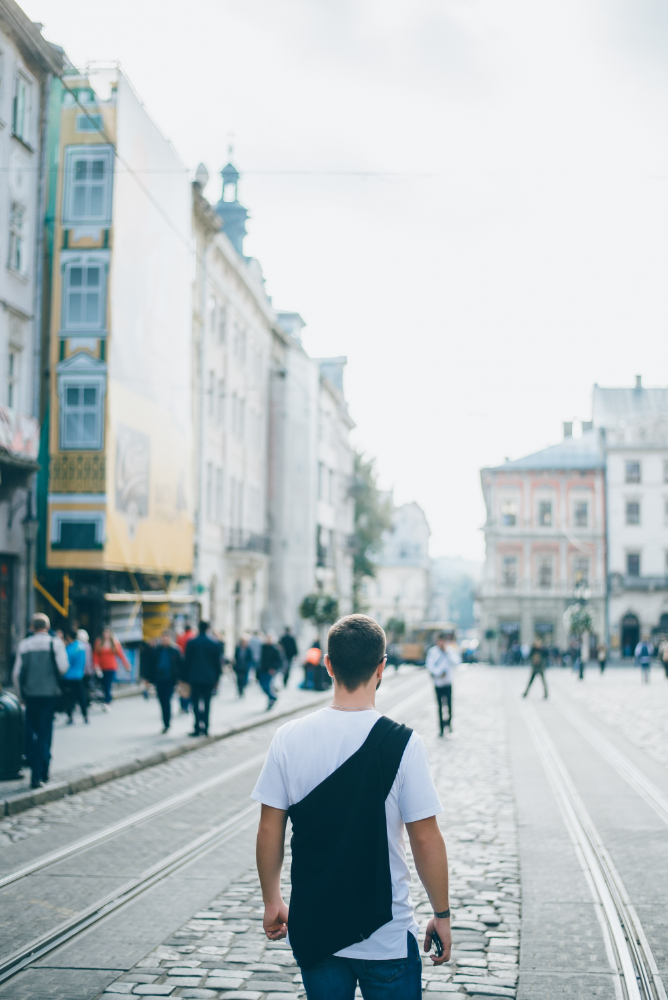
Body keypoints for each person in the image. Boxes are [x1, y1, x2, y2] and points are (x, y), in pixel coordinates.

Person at [252, 614, 451, 1000]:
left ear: (328, 665)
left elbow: (268, 829)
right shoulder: (404, 744)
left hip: (316, 929)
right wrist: (441, 914)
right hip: (386, 934)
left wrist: (272, 900)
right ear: (381, 668)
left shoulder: (287, 738)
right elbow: (426, 839)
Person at [12, 613, 69, 789]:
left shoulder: (25, 645)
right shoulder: (55, 643)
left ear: (32, 627)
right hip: (49, 694)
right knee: (45, 733)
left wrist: (20, 695)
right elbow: (63, 667)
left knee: (32, 732)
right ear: (47, 627)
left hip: (31, 695)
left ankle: (37, 766)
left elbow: (16, 674)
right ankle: (40, 772)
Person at [183, 621, 222, 736]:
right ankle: (206, 727)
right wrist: (217, 679)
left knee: (195, 703)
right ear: (208, 628)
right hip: (209, 679)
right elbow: (217, 663)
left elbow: (187, 662)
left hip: (194, 678)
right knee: (207, 703)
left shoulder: (192, 643)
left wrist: (185, 678)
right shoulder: (214, 643)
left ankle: (197, 726)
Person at [147, 629, 183, 732]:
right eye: (163, 637)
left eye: (167, 637)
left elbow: (181, 665)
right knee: (162, 701)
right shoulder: (156, 650)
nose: (165, 639)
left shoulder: (175, 650)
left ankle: (167, 723)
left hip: (170, 680)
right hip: (159, 679)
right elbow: (150, 665)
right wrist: (148, 679)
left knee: (167, 700)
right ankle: (165, 721)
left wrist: (180, 679)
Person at [425, 632, 460, 735]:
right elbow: (430, 666)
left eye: (442, 641)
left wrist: (446, 652)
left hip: (448, 682)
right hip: (438, 683)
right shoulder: (433, 652)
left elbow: (456, 662)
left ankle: (449, 724)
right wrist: (439, 673)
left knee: (449, 705)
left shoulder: (450, 651)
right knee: (439, 706)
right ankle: (441, 728)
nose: (441, 643)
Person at [93, 627, 131, 708]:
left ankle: (107, 701)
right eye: (105, 633)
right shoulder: (99, 642)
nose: (106, 635)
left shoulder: (114, 643)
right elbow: (96, 655)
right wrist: (96, 665)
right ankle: (108, 698)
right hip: (102, 667)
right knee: (103, 684)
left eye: (107, 633)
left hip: (111, 667)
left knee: (108, 684)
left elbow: (120, 654)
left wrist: (126, 664)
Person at [63, 627, 88, 724]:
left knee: (70, 698)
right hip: (79, 675)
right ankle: (85, 715)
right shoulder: (82, 646)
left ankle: (70, 716)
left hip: (69, 676)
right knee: (81, 697)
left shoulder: (69, 649)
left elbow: (66, 663)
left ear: (69, 637)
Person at [258, 632, 284, 710]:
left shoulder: (276, 648)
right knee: (262, 685)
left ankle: (271, 699)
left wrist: (274, 668)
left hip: (270, 671)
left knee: (267, 686)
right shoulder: (263, 647)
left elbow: (279, 661)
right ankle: (273, 697)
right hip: (263, 669)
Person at [176, 620, 196, 713]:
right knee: (191, 687)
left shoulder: (180, 637)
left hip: (182, 665)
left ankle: (183, 705)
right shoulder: (193, 637)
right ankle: (190, 704)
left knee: (183, 686)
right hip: (191, 666)